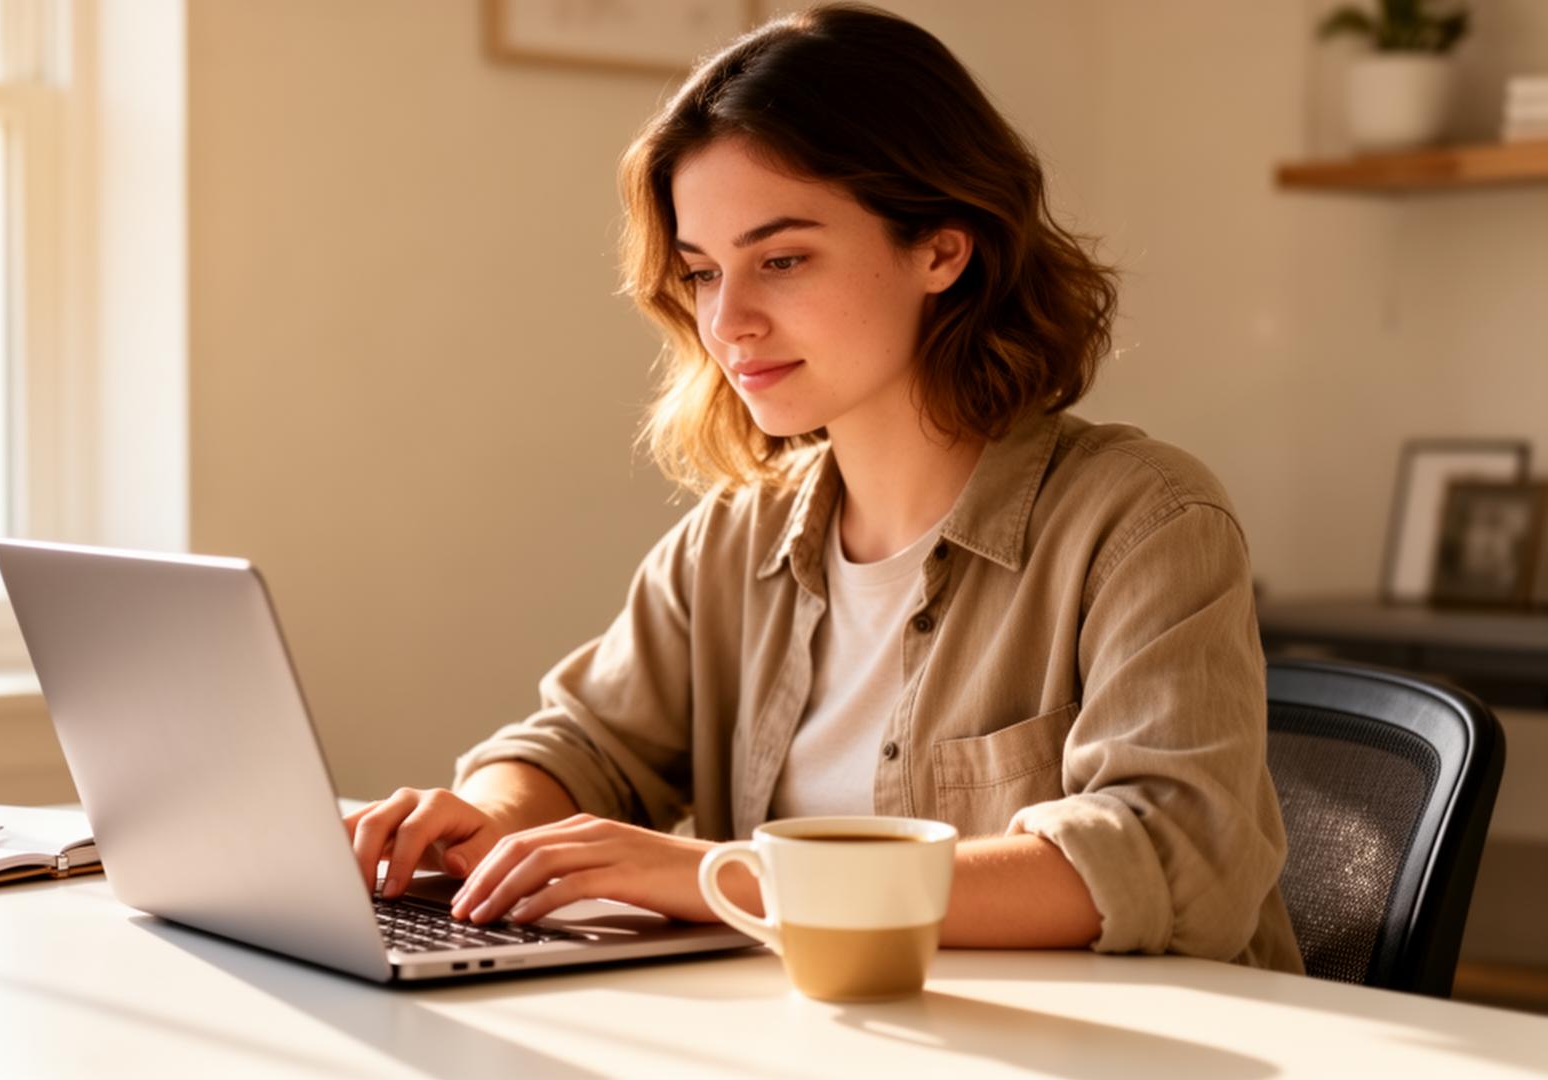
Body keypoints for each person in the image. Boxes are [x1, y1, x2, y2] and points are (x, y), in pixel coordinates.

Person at [344, 3, 1302, 971]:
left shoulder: (1145, 521)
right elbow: (582, 744)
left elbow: (1165, 856)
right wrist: (485, 821)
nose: (730, 322)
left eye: (784, 260)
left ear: (941, 247)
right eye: (705, 273)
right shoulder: (731, 544)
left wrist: (719, 877)